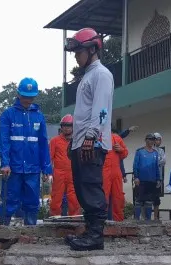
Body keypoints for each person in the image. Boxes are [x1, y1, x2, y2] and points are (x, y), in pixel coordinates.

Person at [63, 27, 113, 251]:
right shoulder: (88, 76)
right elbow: (83, 113)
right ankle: (90, 230)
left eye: (79, 51)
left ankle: (96, 236)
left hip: (92, 141)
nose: (76, 56)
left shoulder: (101, 75)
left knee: (91, 187)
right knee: (82, 187)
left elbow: (101, 110)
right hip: (81, 141)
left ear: (92, 49)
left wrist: (91, 137)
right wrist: (74, 141)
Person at [0, 77, 52, 226]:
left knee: (32, 202)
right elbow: (4, 141)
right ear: (18, 94)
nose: (28, 100)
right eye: (25, 96)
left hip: (33, 169)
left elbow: (43, 143)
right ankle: (3, 231)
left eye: (31, 97)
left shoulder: (39, 117)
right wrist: (5, 163)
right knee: (9, 200)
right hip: (13, 168)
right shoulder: (7, 115)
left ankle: (30, 234)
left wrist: (46, 168)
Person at [49, 114, 79, 216]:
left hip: (73, 173)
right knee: (56, 198)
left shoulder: (78, 141)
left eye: (69, 126)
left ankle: (74, 220)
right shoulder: (55, 141)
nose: (67, 128)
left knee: (74, 199)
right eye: (65, 126)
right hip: (58, 173)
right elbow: (49, 158)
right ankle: (54, 219)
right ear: (61, 127)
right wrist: (48, 173)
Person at [133, 133, 161, 220]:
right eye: (149, 139)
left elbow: (157, 167)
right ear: (145, 140)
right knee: (139, 200)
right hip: (141, 180)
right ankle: (137, 220)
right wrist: (136, 177)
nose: (151, 141)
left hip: (152, 181)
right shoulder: (140, 152)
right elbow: (135, 165)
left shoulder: (155, 153)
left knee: (149, 201)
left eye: (152, 140)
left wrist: (158, 179)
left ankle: (148, 220)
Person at [104, 126, 128, 221]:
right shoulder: (97, 138)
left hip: (116, 172)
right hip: (103, 172)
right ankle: (101, 222)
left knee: (118, 198)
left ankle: (118, 223)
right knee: (103, 197)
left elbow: (125, 153)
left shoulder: (117, 138)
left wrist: (121, 149)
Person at [152, 132, 166, 219]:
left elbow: (163, 161)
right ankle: (146, 217)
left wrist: (156, 161)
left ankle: (156, 217)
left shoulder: (161, 150)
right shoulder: (150, 150)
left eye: (160, 139)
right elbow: (153, 162)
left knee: (156, 199)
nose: (158, 141)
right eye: (157, 139)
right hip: (149, 178)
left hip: (158, 178)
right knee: (147, 198)